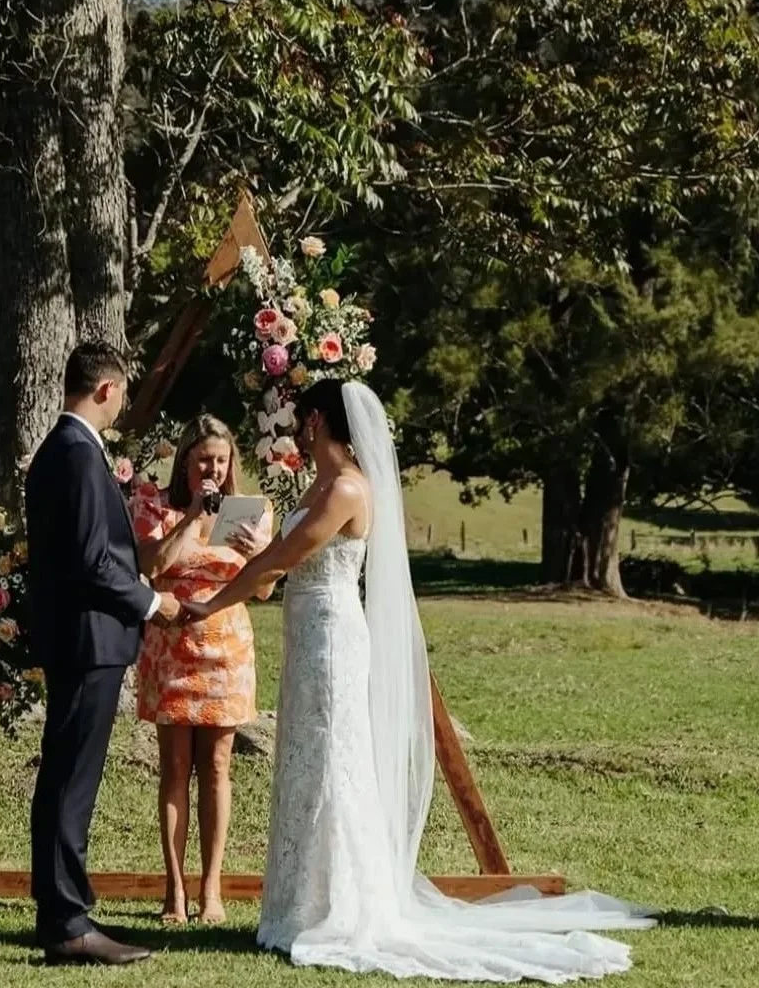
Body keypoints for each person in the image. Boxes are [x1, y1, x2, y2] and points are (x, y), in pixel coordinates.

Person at [181, 378, 655, 982]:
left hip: (331, 634)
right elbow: (275, 569)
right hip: (305, 630)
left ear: (320, 422)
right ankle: (299, 902)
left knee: (331, 758)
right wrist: (256, 551)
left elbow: (279, 561)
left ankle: (339, 908)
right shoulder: (316, 486)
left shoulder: (349, 488)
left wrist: (213, 601)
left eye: (305, 419)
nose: (299, 428)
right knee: (305, 757)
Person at [26, 341, 181, 966]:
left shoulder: (60, 451)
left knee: (66, 775)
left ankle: (63, 909)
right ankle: (67, 923)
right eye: (120, 397)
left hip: (78, 637)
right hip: (88, 640)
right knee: (70, 781)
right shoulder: (78, 455)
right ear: (107, 389)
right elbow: (93, 561)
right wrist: (151, 604)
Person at [131, 414, 274, 926]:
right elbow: (149, 567)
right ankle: (174, 890)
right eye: (202, 461)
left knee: (216, 767)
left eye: (220, 459)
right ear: (185, 463)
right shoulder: (155, 506)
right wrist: (192, 517)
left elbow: (263, 590)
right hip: (171, 647)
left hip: (226, 650)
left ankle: (211, 889)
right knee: (174, 769)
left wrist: (257, 554)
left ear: (232, 461)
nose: (212, 469)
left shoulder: (253, 512)